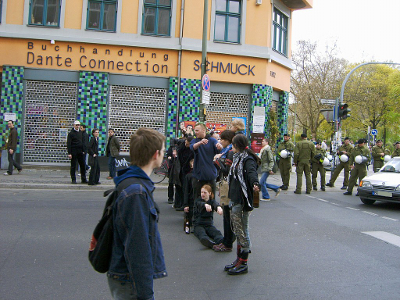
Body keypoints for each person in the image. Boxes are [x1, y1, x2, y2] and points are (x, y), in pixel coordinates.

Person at [107, 128, 167, 299]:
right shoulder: (136, 192)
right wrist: (146, 294)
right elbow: (137, 247)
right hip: (129, 278)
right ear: (156, 155)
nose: (164, 154)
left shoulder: (131, 182)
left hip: (126, 276)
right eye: (163, 151)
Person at [224, 134, 260, 275]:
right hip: (234, 197)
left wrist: (255, 183)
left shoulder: (248, 159)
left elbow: (252, 173)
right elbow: (231, 174)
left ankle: (243, 262)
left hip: (242, 199)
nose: (231, 147)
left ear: (237, 145)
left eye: (233, 144)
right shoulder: (237, 157)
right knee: (238, 229)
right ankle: (239, 259)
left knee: (241, 230)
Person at [213, 129, 236, 252]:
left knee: (227, 215)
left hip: (228, 185)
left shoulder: (230, 152)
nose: (221, 141)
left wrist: (217, 161)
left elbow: (227, 171)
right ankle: (227, 239)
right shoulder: (227, 151)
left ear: (228, 140)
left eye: (222, 139)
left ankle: (228, 242)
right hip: (226, 185)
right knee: (227, 215)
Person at [190, 122, 223, 198]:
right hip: (198, 176)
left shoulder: (212, 140)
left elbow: (219, 147)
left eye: (197, 130)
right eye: (195, 130)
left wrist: (219, 147)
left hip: (210, 175)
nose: (195, 132)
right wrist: (200, 143)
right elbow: (192, 147)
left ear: (203, 130)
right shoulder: (195, 141)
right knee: (197, 198)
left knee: (211, 198)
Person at [193, 184, 224, 248]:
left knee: (216, 232)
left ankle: (222, 240)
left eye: (205, 192)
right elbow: (200, 204)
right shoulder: (198, 200)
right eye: (202, 192)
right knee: (201, 233)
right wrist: (205, 205)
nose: (203, 194)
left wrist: (218, 207)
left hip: (208, 224)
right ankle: (208, 242)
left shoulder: (212, 201)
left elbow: (215, 204)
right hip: (198, 224)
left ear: (209, 193)